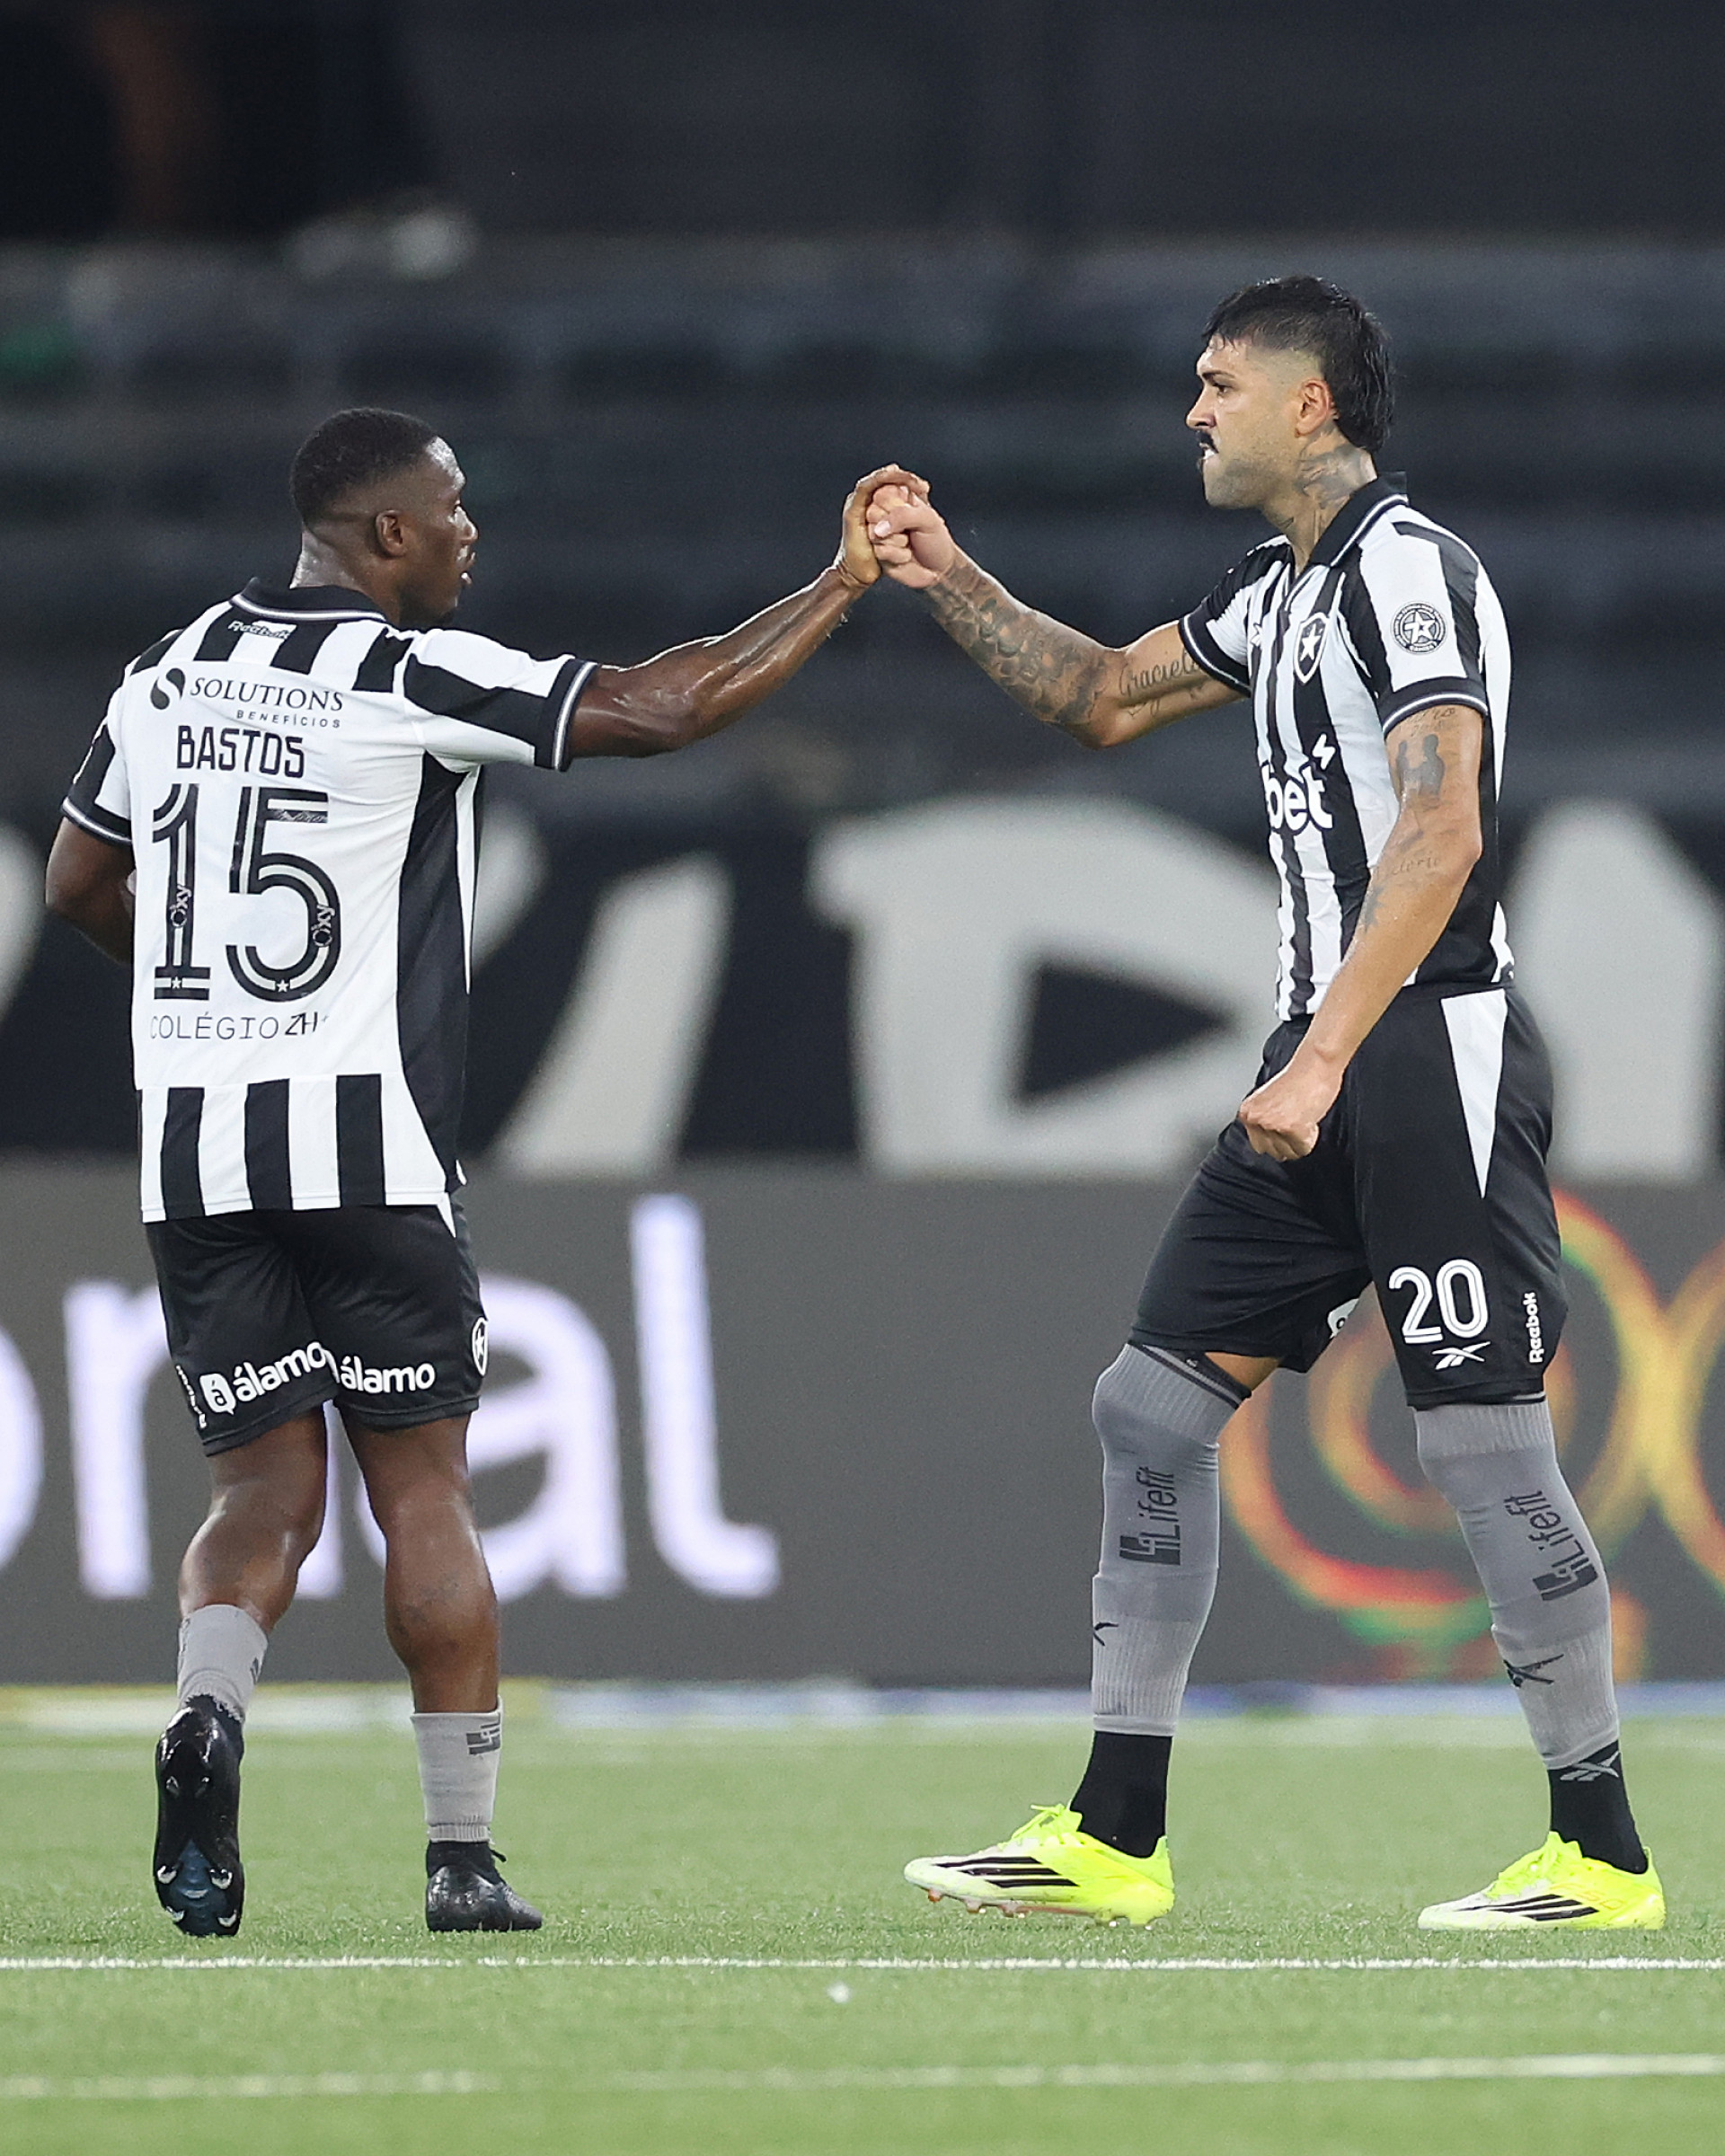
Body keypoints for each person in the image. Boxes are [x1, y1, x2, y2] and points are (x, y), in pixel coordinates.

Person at [46, 405, 916, 1938]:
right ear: (384, 535)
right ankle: (460, 1858)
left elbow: (79, 880)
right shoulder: (406, 671)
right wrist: (840, 581)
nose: (469, 536)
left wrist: (208, 1008)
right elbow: (665, 706)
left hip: (196, 1152)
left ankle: (208, 1715)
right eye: (450, 513)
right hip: (367, 1143)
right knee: (423, 1486)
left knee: (255, 1492)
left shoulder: (166, 673)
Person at [865, 277, 1662, 1933]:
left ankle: (1601, 1853)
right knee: (1149, 1413)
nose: (1194, 409)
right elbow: (1098, 697)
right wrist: (949, 581)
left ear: (1314, 406)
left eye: (1222, 382)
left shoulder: (1411, 571)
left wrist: (1315, 1058)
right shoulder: (1277, 591)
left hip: (1422, 1050)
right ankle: (1114, 1834)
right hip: (1327, 1055)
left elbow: (1442, 828)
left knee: (1484, 1443)